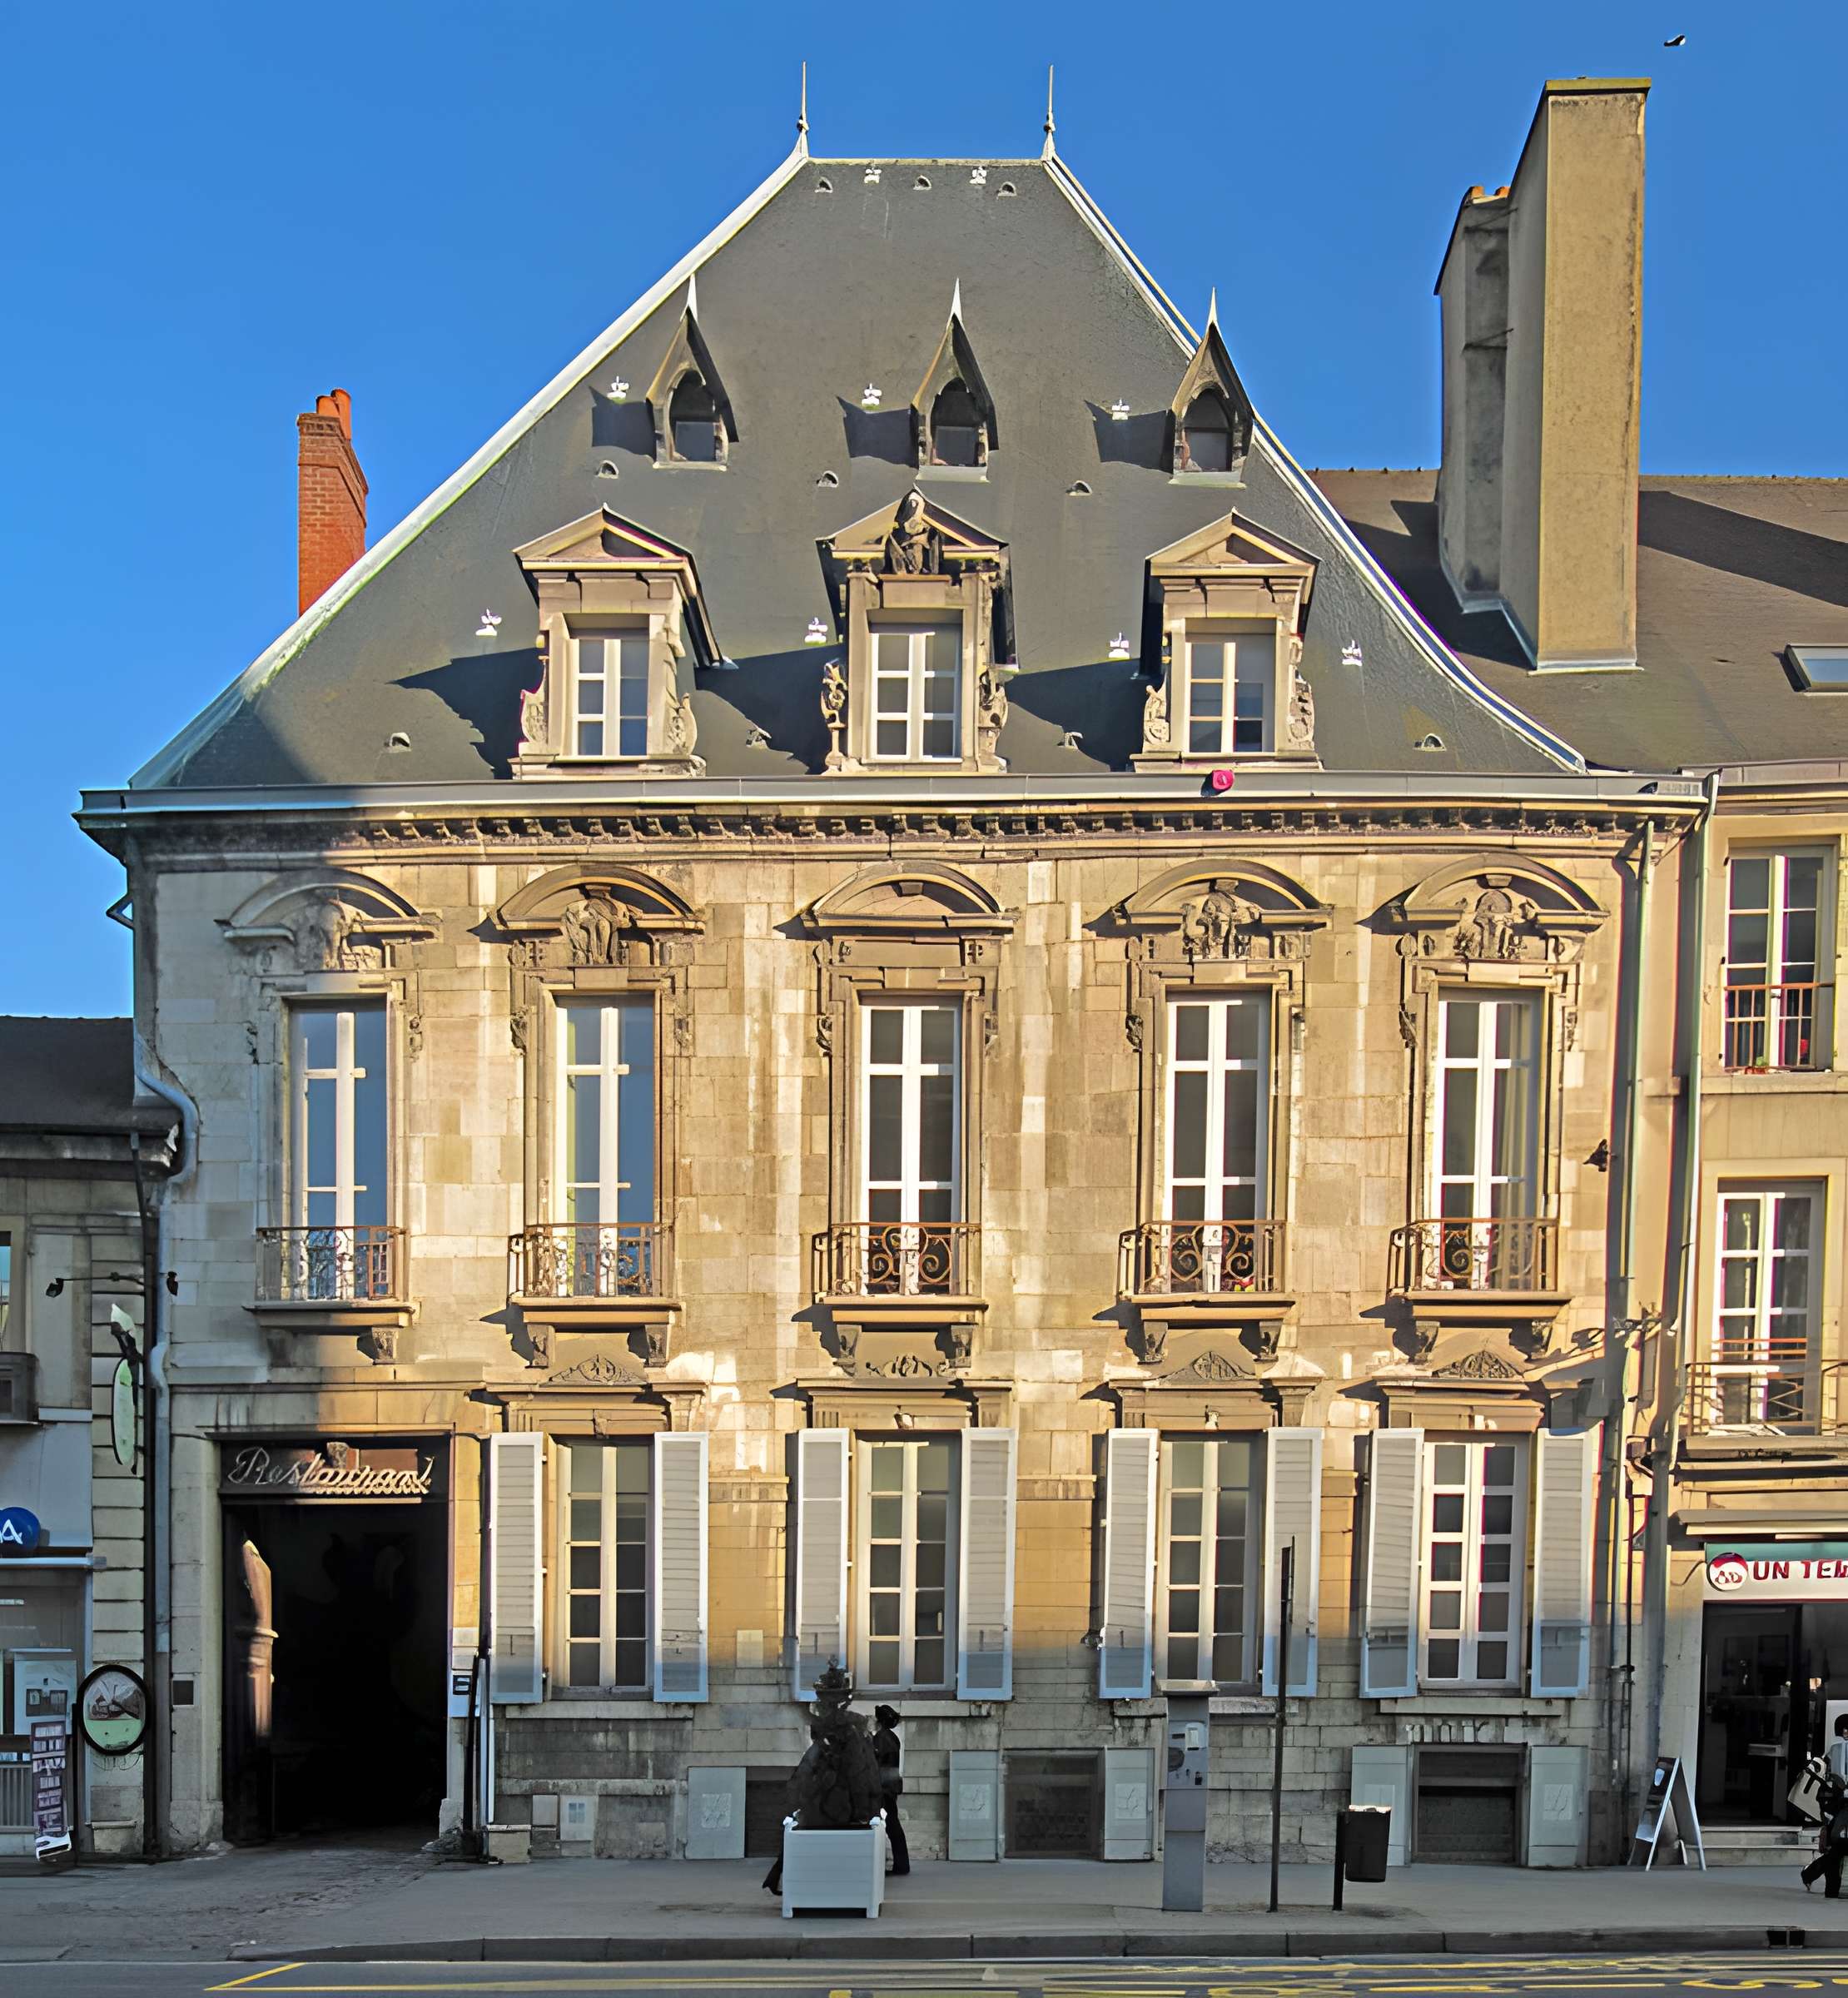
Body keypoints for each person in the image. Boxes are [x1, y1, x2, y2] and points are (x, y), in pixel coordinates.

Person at [1801, 1715, 1848, 1895]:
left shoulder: (1834, 1750)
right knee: (1836, 1845)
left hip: (1837, 1805)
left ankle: (1812, 1876)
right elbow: (1828, 1776)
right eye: (1843, 1728)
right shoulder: (1834, 1750)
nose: (1845, 1732)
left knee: (1836, 1848)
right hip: (1838, 1805)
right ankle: (1823, 1884)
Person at [872, 1704, 908, 1876]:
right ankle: (901, 1864)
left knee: (890, 1826)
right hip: (890, 1787)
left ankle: (900, 1865)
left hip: (883, 1788)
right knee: (893, 1825)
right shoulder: (892, 1737)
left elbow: (877, 1764)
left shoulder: (881, 1738)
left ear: (878, 1720)